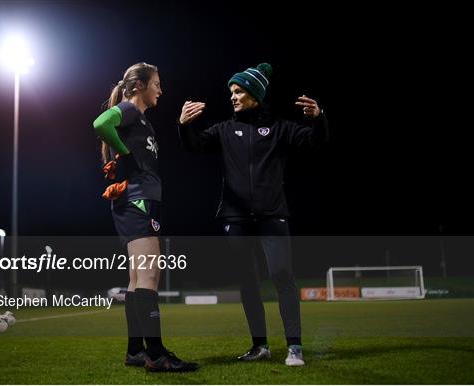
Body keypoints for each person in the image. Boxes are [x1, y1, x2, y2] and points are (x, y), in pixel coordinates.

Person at [178, 63, 329, 366]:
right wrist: (184, 125)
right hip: (236, 218)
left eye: (238, 91)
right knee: (248, 281)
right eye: (231, 92)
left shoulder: (279, 128)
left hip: (273, 215)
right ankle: (260, 346)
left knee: (282, 276)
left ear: (255, 95)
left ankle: (294, 347)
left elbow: (316, 141)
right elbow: (194, 146)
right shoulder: (223, 129)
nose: (232, 97)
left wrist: (319, 119)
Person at [93, 62, 198, 372]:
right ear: (138, 85)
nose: (161, 90)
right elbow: (100, 124)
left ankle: (136, 351)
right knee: (149, 275)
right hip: (137, 202)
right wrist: (123, 154)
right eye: (156, 84)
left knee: (137, 277)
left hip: (140, 201)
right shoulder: (127, 109)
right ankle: (156, 353)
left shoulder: (141, 120)